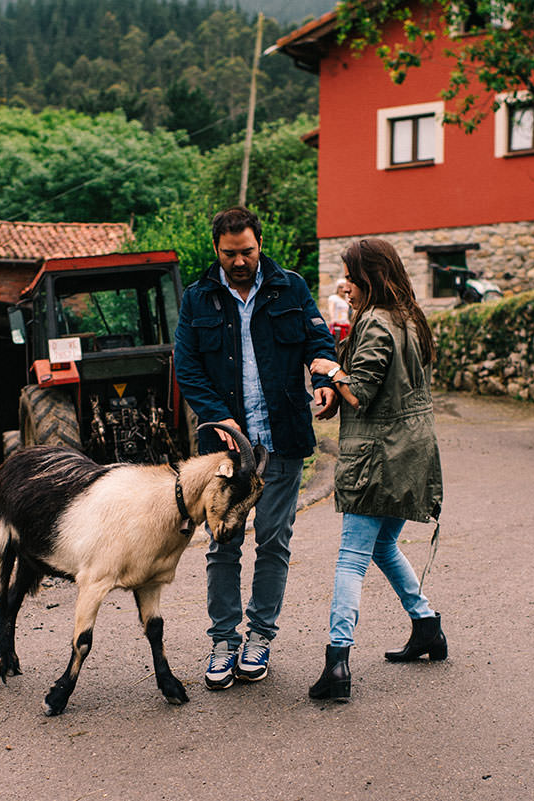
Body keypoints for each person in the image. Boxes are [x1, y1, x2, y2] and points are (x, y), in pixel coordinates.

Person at [174, 206, 338, 690]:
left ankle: (260, 635)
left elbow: (317, 338)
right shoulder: (197, 299)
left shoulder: (292, 286)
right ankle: (223, 641)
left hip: (282, 439)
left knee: (274, 540)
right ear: (216, 250)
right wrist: (215, 414)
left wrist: (325, 373)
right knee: (223, 542)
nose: (239, 261)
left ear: (259, 243)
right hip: (224, 453)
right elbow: (187, 368)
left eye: (247, 251)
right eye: (230, 253)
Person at [307, 238, 446, 703]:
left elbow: (360, 392)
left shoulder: (375, 322)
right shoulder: (410, 317)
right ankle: (427, 625)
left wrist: (329, 369)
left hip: (378, 455)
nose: (345, 282)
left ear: (369, 275)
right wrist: (340, 386)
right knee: (384, 544)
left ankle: (337, 661)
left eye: (350, 274)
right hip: (413, 448)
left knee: (351, 557)